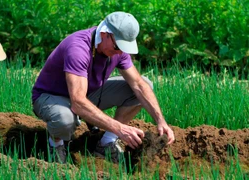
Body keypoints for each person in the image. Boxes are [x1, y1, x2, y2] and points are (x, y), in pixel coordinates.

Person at [32, 11, 175, 164]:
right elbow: (78, 102)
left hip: (86, 93)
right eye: (117, 47)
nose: (120, 52)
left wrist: (160, 121)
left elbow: (139, 85)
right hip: (51, 97)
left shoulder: (117, 50)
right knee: (65, 119)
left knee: (145, 85)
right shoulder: (78, 49)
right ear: (105, 33)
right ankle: (56, 145)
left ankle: (106, 144)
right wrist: (119, 128)